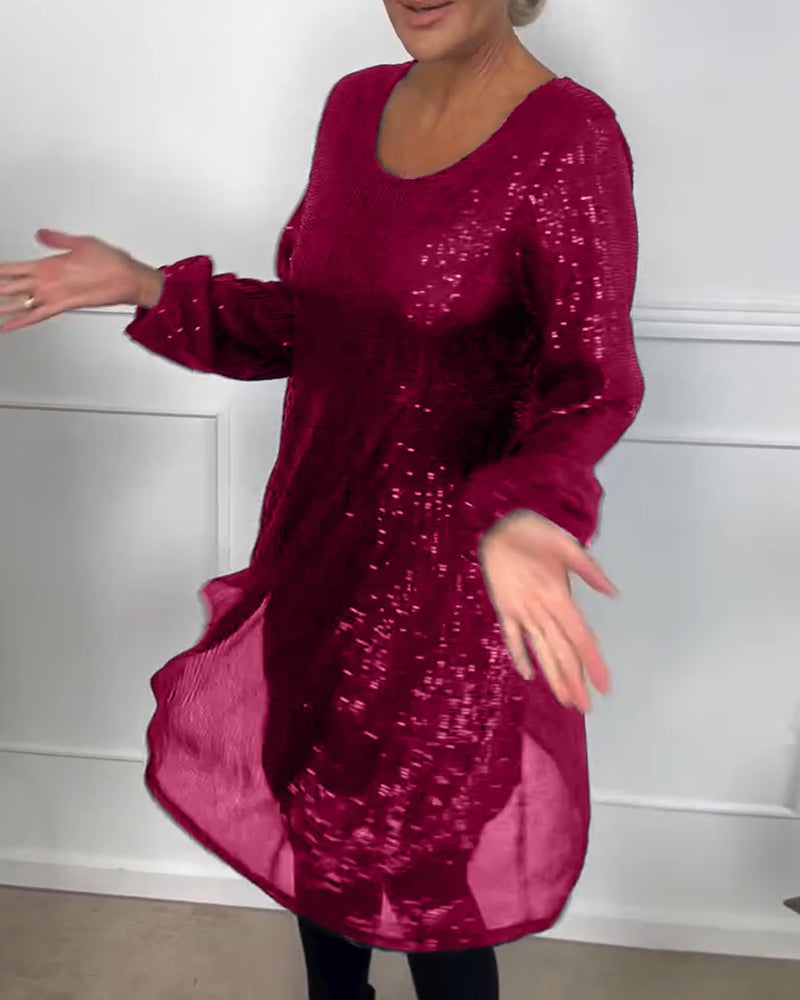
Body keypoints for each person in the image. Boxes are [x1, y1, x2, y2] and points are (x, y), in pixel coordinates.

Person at [0, 0, 644, 997]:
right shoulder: (353, 107)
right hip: (313, 557)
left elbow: (590, 385)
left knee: (427, 883)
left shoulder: (569, 136)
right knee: (316, 830)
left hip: (447, 590)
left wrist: (527, 512)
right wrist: (146, 286)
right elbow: (309, 326)